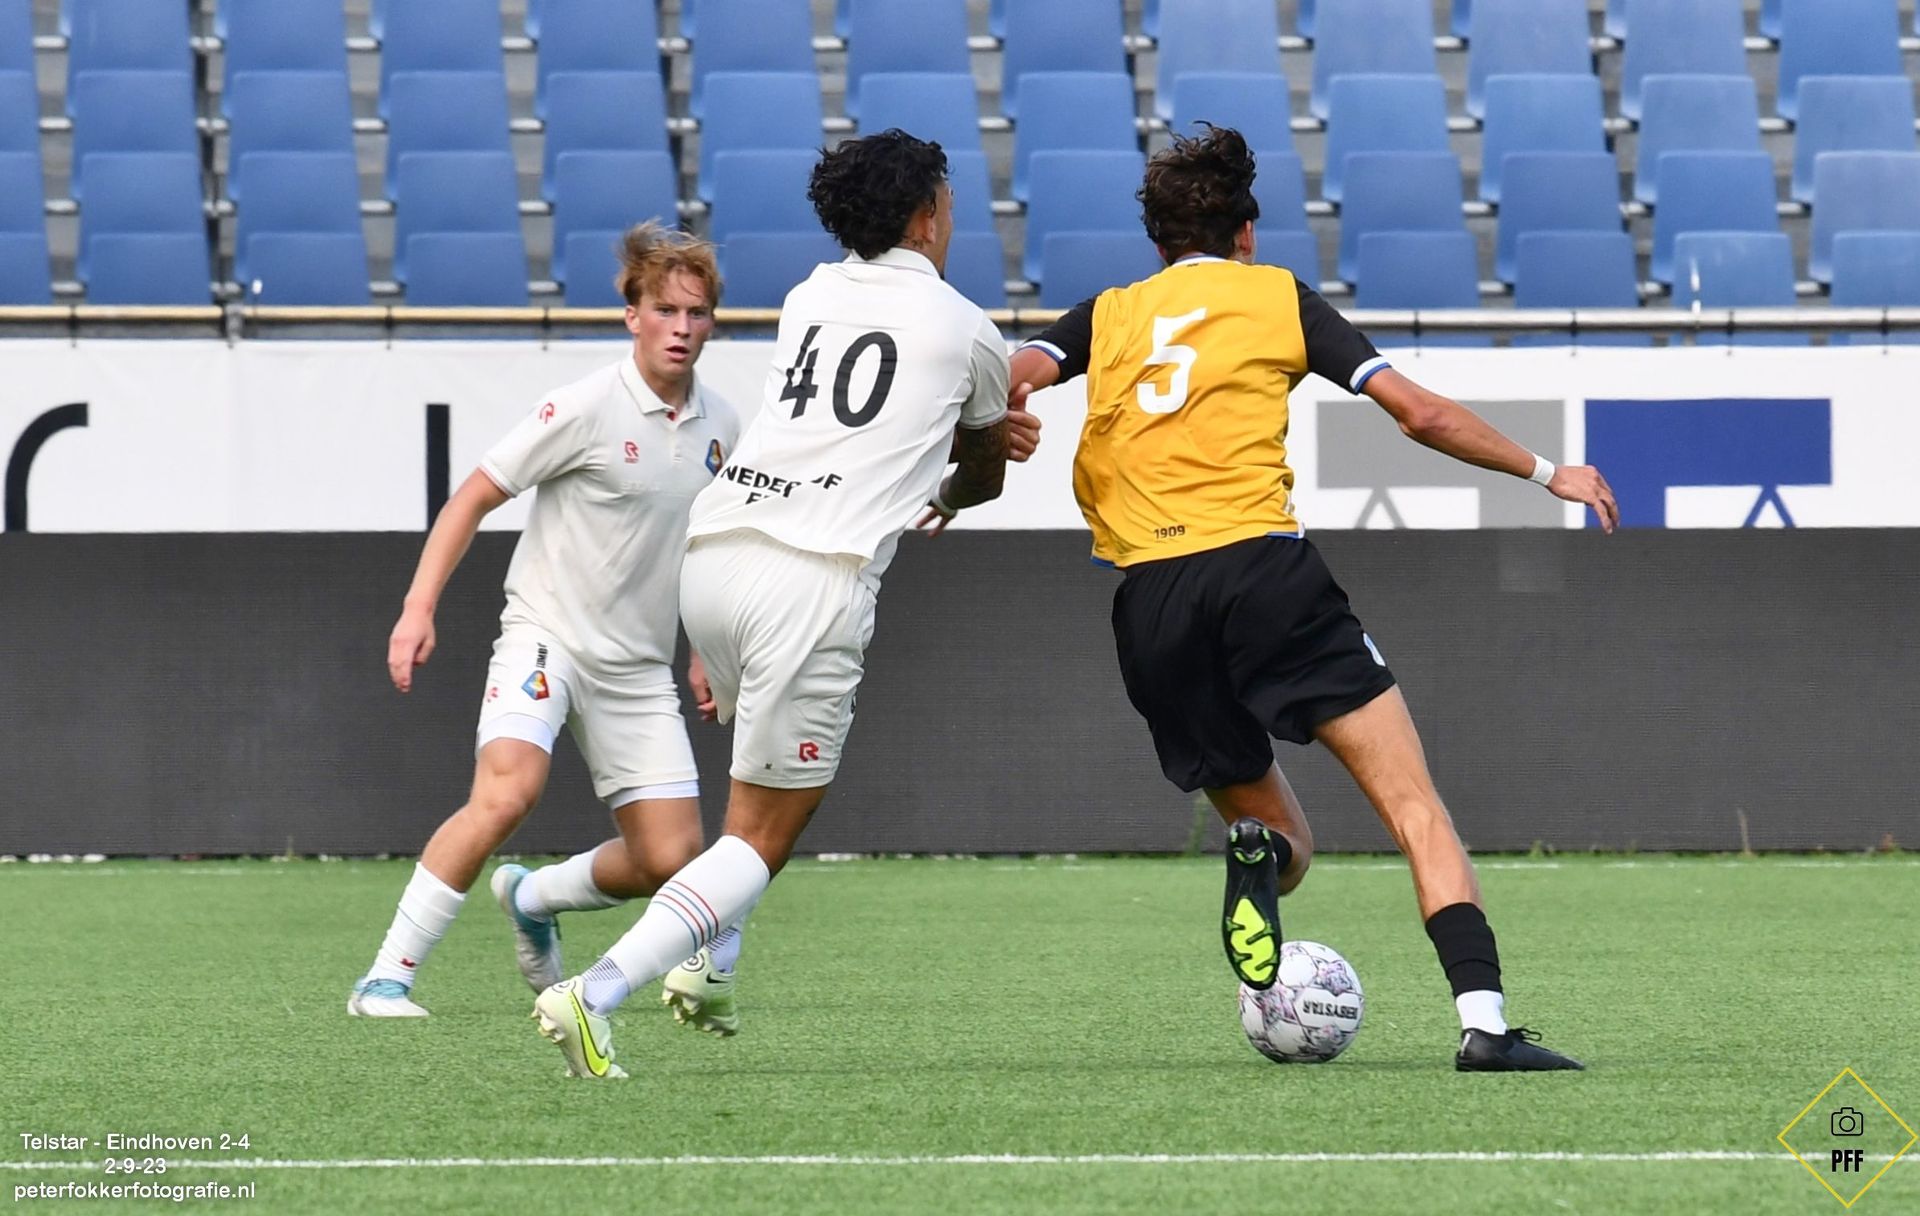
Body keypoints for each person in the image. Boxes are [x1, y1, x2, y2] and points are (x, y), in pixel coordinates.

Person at [1008, 127, 1618, 1071]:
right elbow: (1418, 413)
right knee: (1414, 808)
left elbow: (1010, 376)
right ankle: (1486, 1026)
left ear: (1157, 243)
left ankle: (1253, 854)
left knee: (1280, 840)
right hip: (1264, 576)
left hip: (1151, 604)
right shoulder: (1277, 296)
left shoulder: (1109, 313)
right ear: (1247, 234)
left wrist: (973, 450)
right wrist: (1547, 471)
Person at [531, 130, 1017, 1079]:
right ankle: (593, 993)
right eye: (949, 201)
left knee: (749, 802)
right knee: (761, 838)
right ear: (927, 215)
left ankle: (711, 969)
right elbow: (985, 471)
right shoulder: (967, 328)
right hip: (813, 579)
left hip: (714, 553)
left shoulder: (809, 294)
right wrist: (965, 476)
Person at [349, 223, 749, 1035]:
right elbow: (472, 496)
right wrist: (418, 607)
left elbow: (707, 546)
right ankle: (385, 977)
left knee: (670, 861)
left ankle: (532, 898)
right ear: (631, 315)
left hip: (637, 668)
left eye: (696, 312)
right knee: (508, 794)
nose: (681, 327)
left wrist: (705, 651)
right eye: (664, 310)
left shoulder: (723, 428)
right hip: (547, 639)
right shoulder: (584, 406)